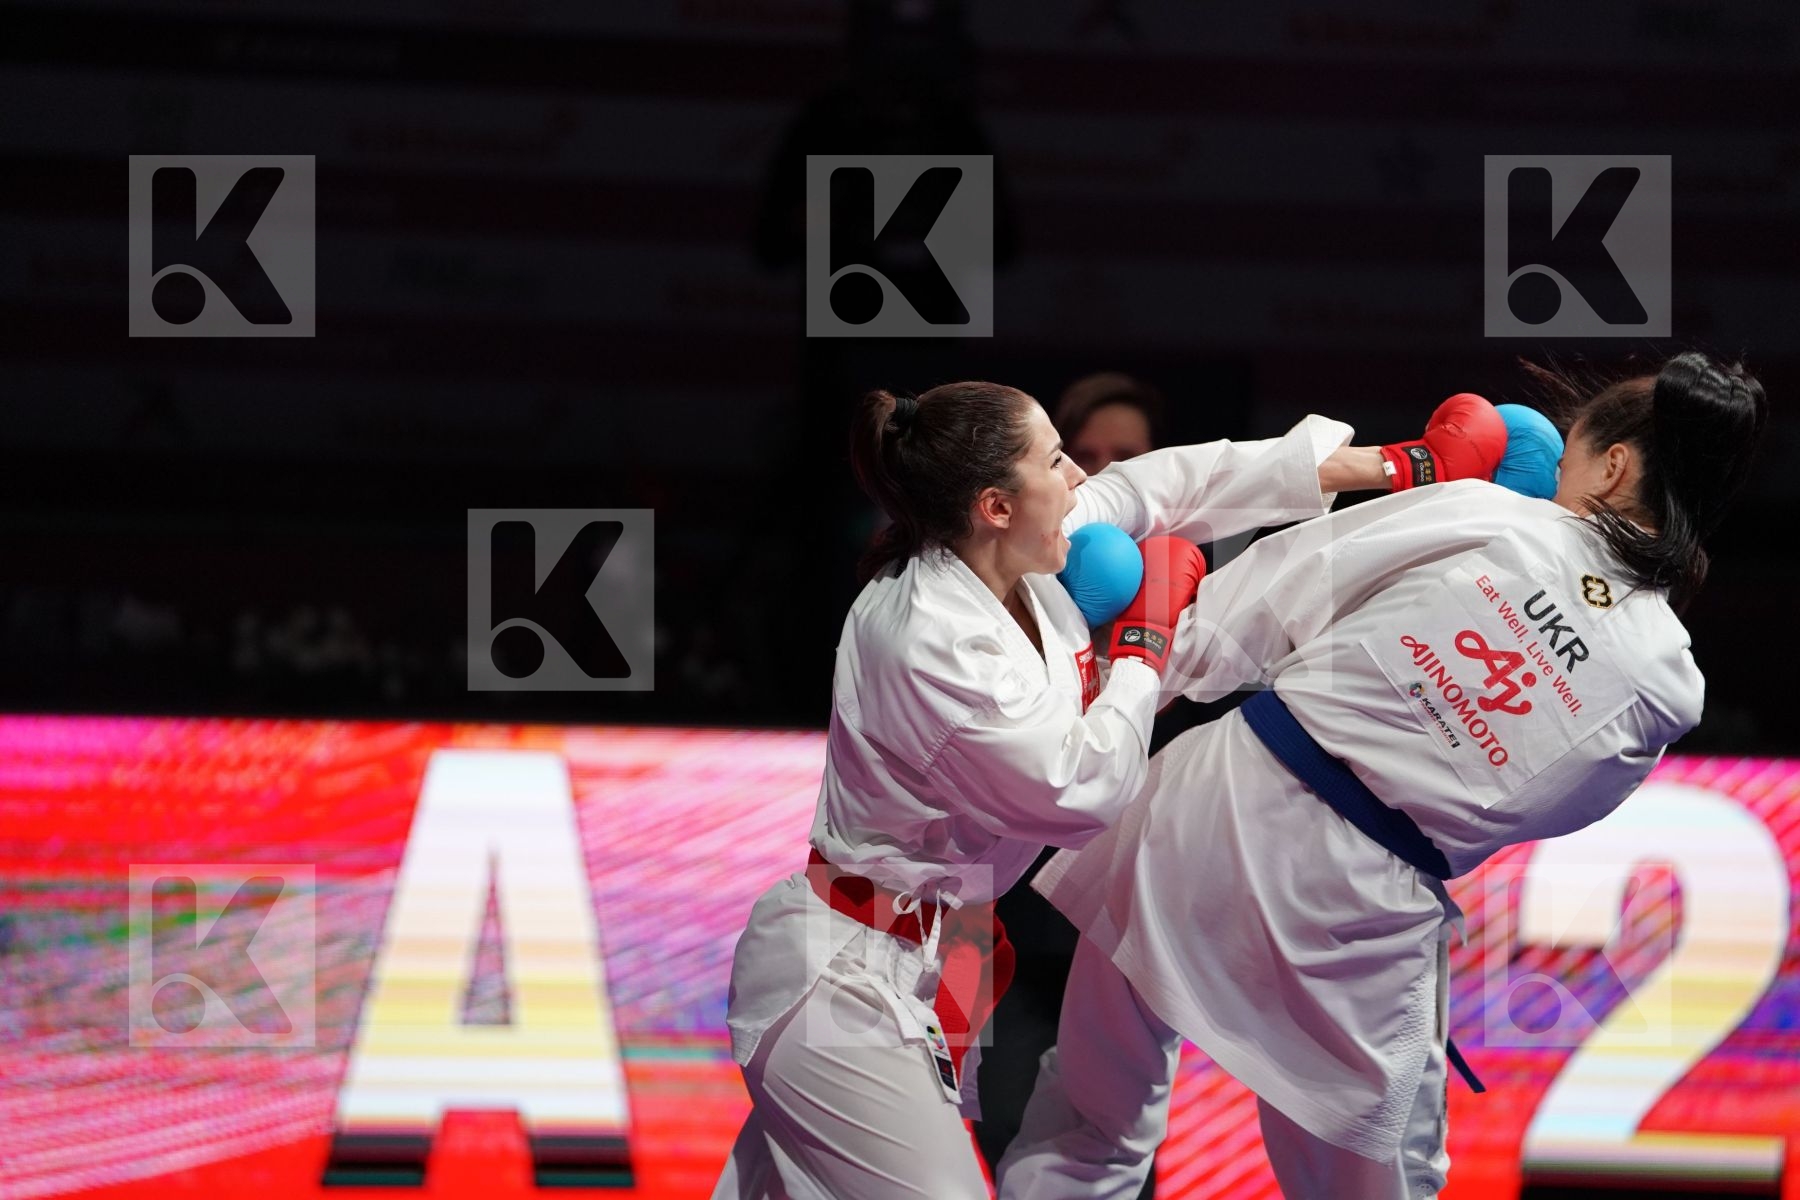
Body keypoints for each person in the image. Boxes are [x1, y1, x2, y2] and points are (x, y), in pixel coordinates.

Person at [995, 350, 1768, 1200]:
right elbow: (1553, 806)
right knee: (1379, 1183)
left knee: (1092, 1122)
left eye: (1578, 458)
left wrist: (1129, 681)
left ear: (1616, 466)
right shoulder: (1666, 686)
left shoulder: (1495, 516)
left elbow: (1280, 589)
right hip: (1363, 901)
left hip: (1216, 804)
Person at [712, 378, 1407, 1200]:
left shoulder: (1018, 562)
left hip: (934, 959)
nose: (1081, 476)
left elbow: (1156, 485)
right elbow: (1075, 792)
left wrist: (1378, 467)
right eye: (1056, 459)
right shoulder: (924, 635)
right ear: (996, 505)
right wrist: (1140, 655)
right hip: (841, 979)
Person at [976, 371, 1169, 1199]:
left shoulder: (1201, 599)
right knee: (1008, 1139)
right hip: (1004, 934)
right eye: (1080, 455)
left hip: (1127, 940)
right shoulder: (983, 601)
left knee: (1109, 1162)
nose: (1095, 472)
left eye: (1124, 456)